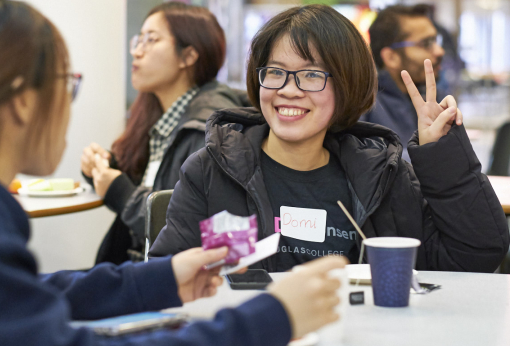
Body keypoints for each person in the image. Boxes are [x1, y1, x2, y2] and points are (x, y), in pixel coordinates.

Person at [0, 1, 348, 345]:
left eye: (311, 75)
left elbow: (23, 296)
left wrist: (156, 279)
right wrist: (271, 318)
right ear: (21, 100)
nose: (290, 89)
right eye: (66, 82)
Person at [149, 4, 509, 273]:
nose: (288, 90)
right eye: (275, 72)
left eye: (310, 75)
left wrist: (440, 155)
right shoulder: (214, 169)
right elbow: (165, 281)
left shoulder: (381, 175)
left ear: (346, 85)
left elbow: (476, 253)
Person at [81, 2, 247, 265]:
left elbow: (187, 226)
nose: (136, 51)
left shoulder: (206, 126)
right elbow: (154, 184)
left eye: (151, 40)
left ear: (188, 56)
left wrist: (120, 192)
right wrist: (105, 167)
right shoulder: (161, 114)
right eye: (138, 40)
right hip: (151, 266)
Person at [361, 5, 447, 162]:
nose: (439, 51)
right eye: (426, 43)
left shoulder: (433, 98)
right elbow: (366, 166)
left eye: (436, 40)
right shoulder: (363, 104)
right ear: (391, 57)